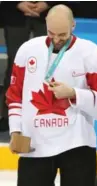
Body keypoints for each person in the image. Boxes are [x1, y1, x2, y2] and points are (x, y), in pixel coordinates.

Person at [6, 4, 97, 186]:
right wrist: (16, 130)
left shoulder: (92, 54)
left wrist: (74, 94)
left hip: (77, 145)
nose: (56, 39)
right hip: (35, 144)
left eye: (62, 35)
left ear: (73, 26)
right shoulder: (27, 50)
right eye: (51, 33)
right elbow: (15, 96)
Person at [0, 1, 58, 131]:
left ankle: (49, 115)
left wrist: (48, 2)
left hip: (51, 14)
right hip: (14, 14)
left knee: (49, 65)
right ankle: (8, 116)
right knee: (14, 65)